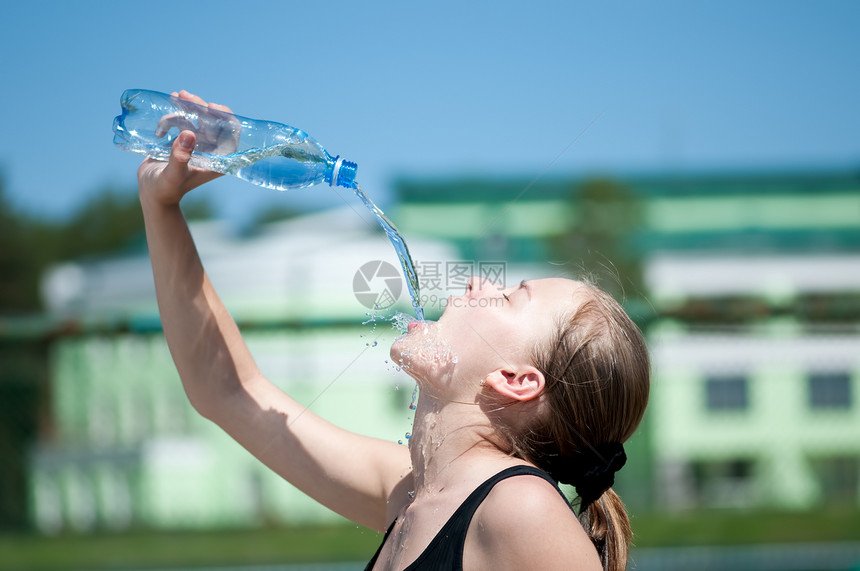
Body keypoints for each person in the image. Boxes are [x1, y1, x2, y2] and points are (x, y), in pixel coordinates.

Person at [137, 90, 650, 571]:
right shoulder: (412, 492)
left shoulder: (522, 509)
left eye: (512, 296)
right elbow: (229, 392)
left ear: (516, 379)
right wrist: (161, 206)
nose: (475, 282)